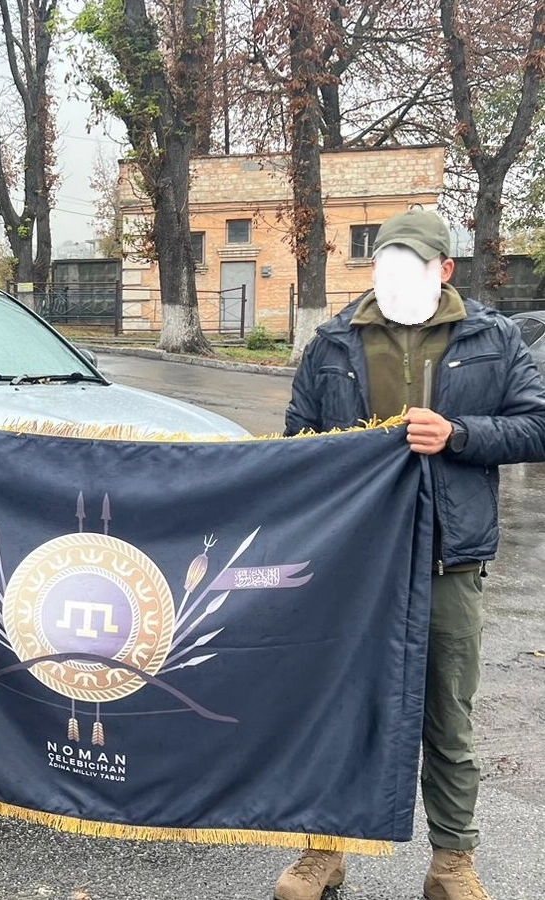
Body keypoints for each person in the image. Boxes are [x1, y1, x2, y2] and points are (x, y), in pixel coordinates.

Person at [277, 209, 545, 900]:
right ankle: (323, 852)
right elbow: (298, 440)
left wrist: (459, 434)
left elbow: (537, 425)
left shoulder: (491, 337)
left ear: (444, 269)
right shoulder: (334, 341)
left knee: (447, 719)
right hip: (352, 563)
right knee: (336, 710)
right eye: (383, 263)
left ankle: (451, 862)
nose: (392, 277)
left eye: (410, 264)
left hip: (448, 560)